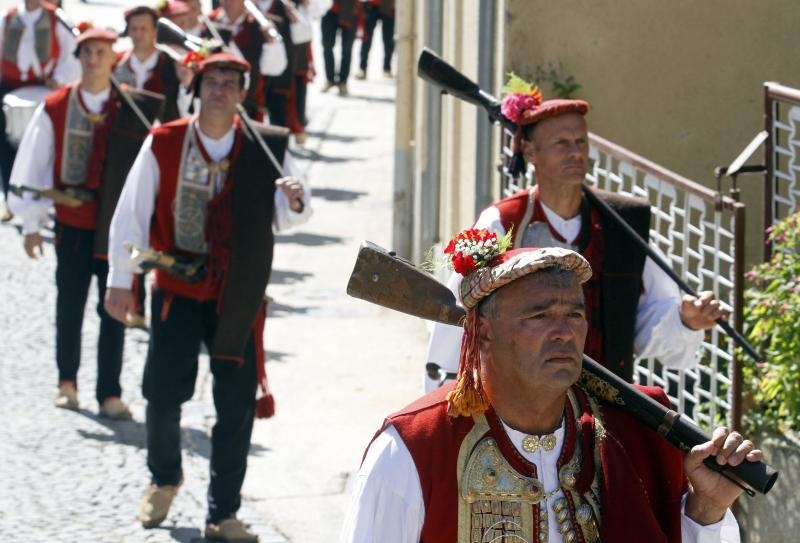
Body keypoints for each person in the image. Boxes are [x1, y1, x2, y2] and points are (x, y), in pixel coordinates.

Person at [341, 237, 762, 542]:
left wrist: (706, 510)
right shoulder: (411, 450)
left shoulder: (629, 437)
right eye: (539, 315)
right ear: (483, 332)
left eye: (574, 314)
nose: (564, 332)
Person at [104, 52, 310, 542]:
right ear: (196, 89)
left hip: (237, 295)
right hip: (177, 288)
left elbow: (291, 213)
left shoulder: (267, 145)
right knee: (161, 394)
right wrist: (119, 281)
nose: (219, 88)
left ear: (243, 93)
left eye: (229, 82)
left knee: (236, 406)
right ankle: (164, 477)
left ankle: (223, 512)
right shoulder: (165, 141)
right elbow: (131, 214)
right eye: (211, 80)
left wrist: (297, 197)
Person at [424, 88, 728, 391]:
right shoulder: (504, 221)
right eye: (561, 143)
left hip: (605, 405)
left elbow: (650, 318)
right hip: (520, 403)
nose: (575, 152)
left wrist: (686, 319)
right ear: (530, 152)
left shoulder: (621, 222)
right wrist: (443, 399)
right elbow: (459, 318)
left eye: (581, 142)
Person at [6, 23, 161, 419]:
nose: (93, 60)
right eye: (86, 53)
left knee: (115, 308)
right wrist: (32, 224)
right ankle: (67, 383)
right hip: (73, 226)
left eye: (101, 53)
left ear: (114, 58)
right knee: (69, 305)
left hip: (117, 230)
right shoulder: (57, 105)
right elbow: (34, 166)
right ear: (77, 58)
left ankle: (109, 392)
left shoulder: (134, 109)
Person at [0, 0, 80, 221]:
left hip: (46, 89)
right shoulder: (8, 18)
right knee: (6, 149)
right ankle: (10, 200)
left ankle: (46, 199)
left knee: (47, 149)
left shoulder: (58, 19)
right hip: (10, 89)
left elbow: (72, 53)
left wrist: (60, 79)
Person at [205, 0, 289, 120]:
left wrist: (271, 44)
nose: (227, 3)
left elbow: (274, 69)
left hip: (250, 108)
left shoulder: (259, 25)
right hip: (215, 106)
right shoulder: (209, 22)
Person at [115, 6, 182, 123]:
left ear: (155, 31)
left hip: (162, 134)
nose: (138, 34)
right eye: (134, 29)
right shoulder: (116, 62)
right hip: (125, 135)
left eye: (143, 29)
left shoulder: (173, 64)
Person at [320, 0, 361, 95]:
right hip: (328, 10)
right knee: (327, 46)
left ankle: (343, 82)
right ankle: (329, 79)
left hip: (350, 10)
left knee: (347, 48)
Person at [354, 0, 393, 80]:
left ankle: (387, 67)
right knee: (366, 39)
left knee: (388, 39)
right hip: (370, 5)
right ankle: (362, 68)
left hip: (388, 5)